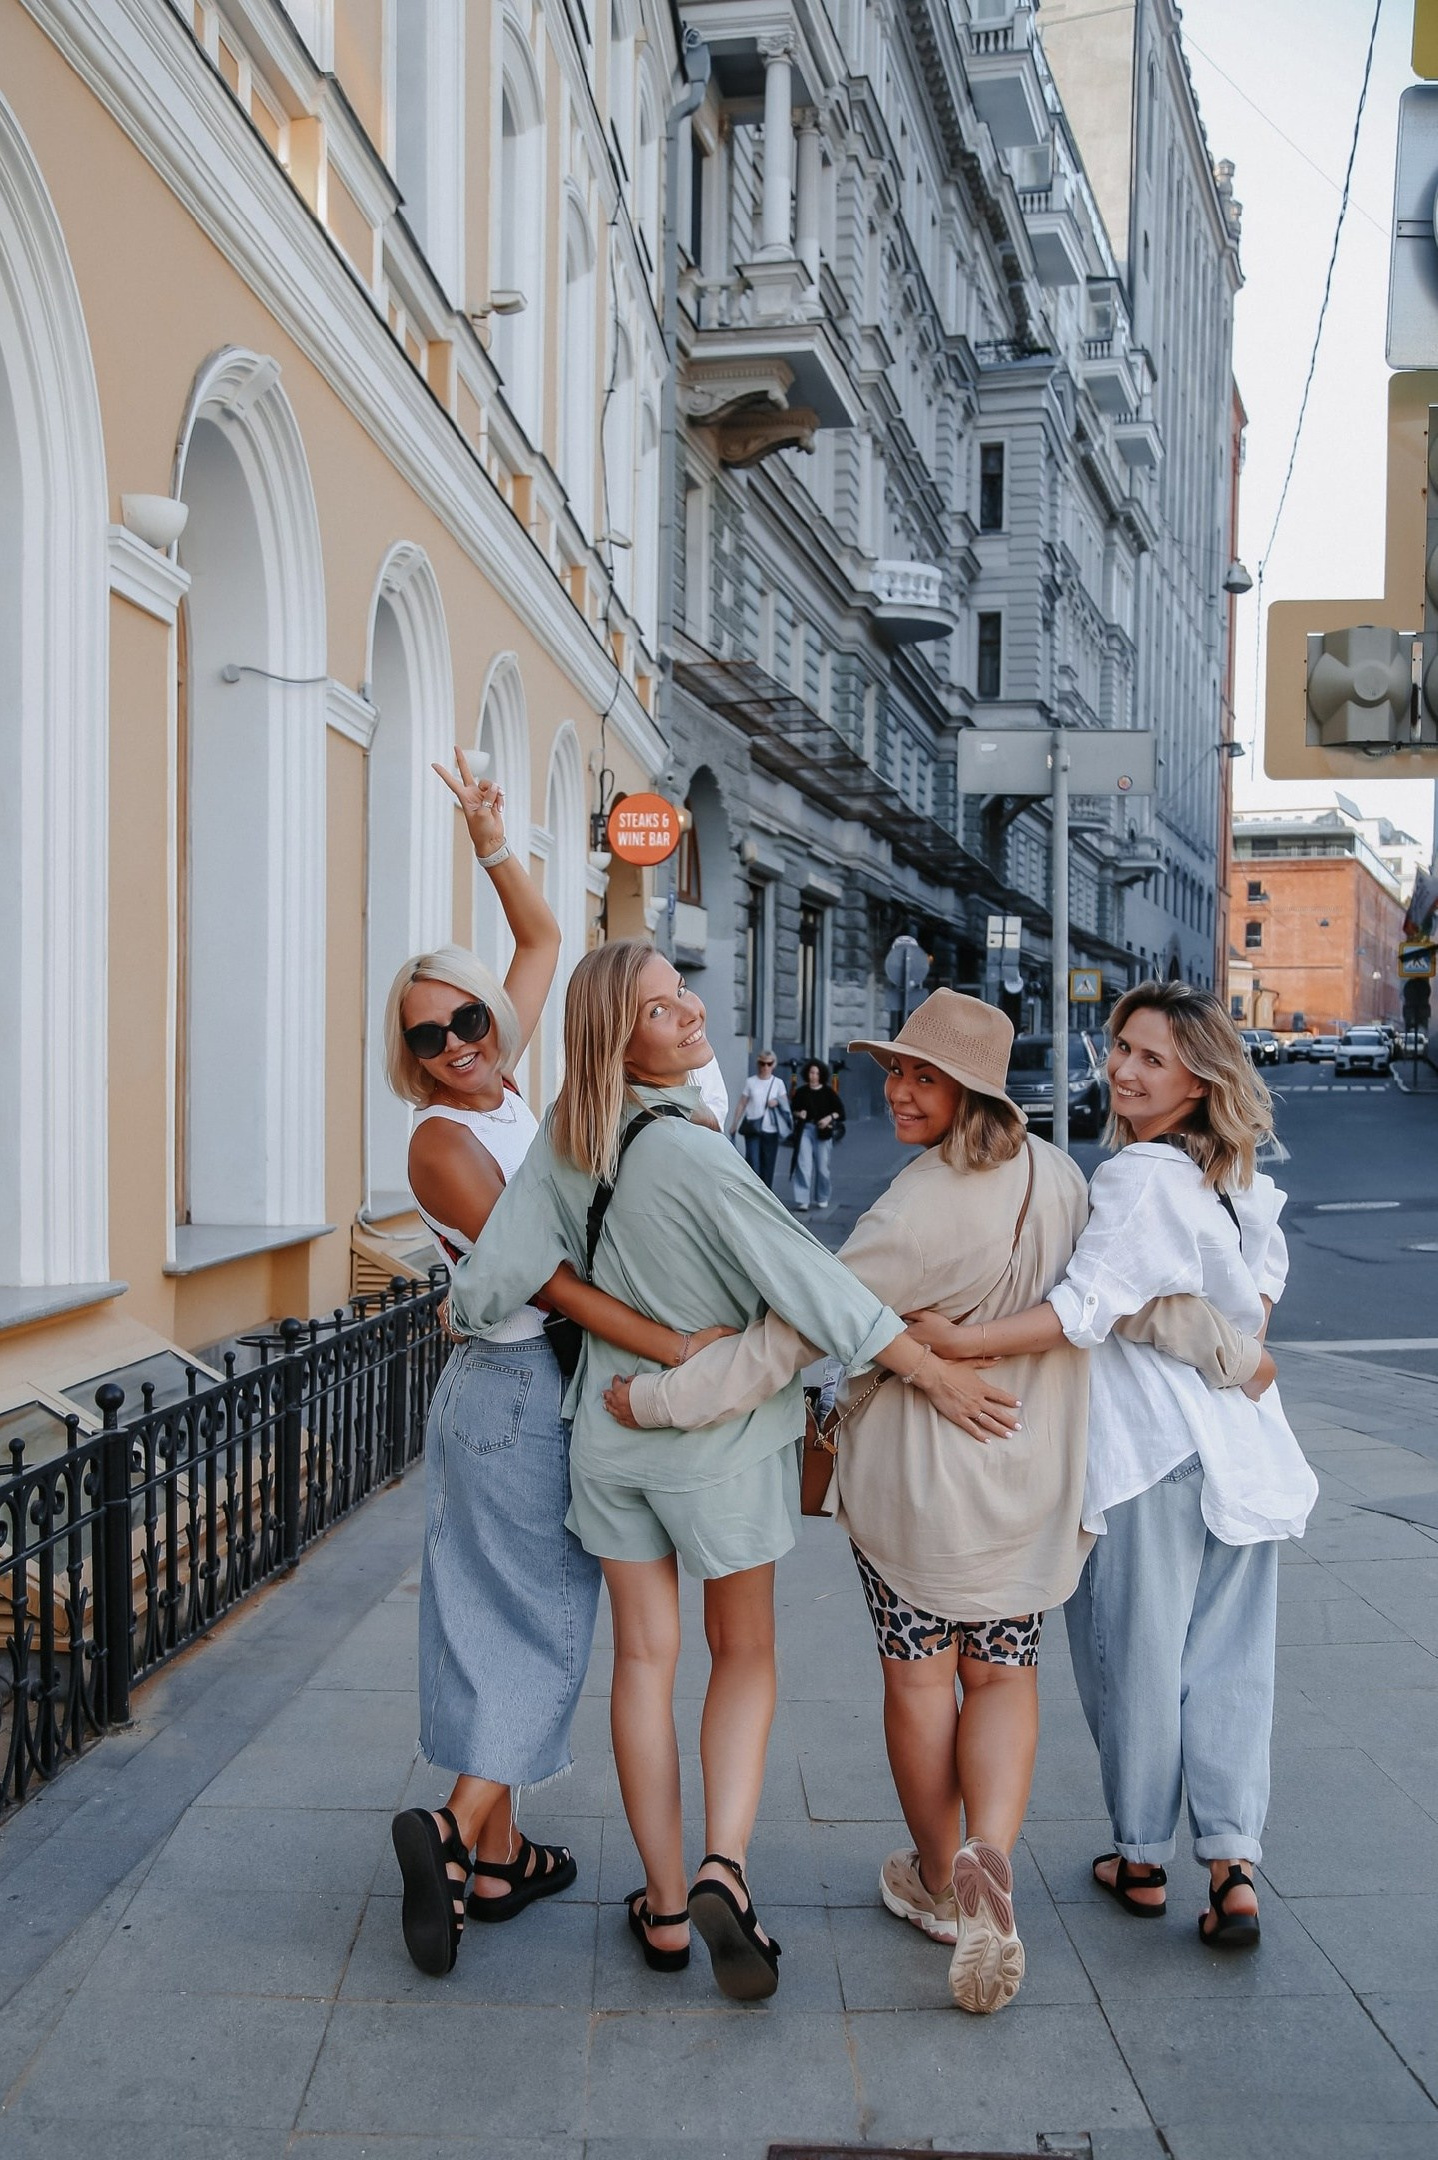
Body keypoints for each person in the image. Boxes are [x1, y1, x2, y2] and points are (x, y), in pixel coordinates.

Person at [605, 990, 1266, 2012]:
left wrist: (659, 1399)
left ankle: (937, 1877)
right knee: (1001, 1675)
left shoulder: (913, 1210)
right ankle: (988, 1852)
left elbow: (790, 1335)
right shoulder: (1060, 1176)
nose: (899, 1092)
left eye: (925, 1077)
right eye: (896, 1072)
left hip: (916, 1491)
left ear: (975, 1091)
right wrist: (1238, 1354)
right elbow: (1129, 1302)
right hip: (1028, 1478)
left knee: (920, 1684)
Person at [448, 945, 1023, 2003]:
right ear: (620, 1037)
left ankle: (666, 1910)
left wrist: (611, 1315)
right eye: (659, 1009)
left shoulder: (568, 1133)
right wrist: (933, 1372)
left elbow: (482, 1292)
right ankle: (724, 1868)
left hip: (609, 1435)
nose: (689, 1013)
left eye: (682, 994)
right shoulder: (694, 1154)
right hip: (720, 1446)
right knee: (744, 1651)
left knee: (641, 1664)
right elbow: (813, 1286)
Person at [386, 756, 736, 1980]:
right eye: (428, 1035)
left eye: (468, 1019)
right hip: (518, 1390)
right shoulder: (441, 1141)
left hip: (520, 1389)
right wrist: (671, 1341)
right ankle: (452, 1830)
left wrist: (492, 839)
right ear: (410, 1054)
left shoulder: (504, 1079)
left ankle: (499, 1863)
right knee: (540, 1624)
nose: (456, 1044)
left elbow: (542, 938)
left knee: (496, 1618)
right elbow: (542, 1274)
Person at [918, 981, 1316, 1951]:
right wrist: (1202, 1325)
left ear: (1198, 1078)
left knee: (1132, 1662)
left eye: (1151, 1058)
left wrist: (960, 1342)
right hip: (1238, 1452)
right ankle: (1232, 1867)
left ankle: (1140, 1858)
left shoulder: (1140, 1176)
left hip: (1148, 1454)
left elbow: (1079, 1311)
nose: (1125, 1071)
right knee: (1230, 1666)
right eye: (1122, 1049)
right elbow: (1258, 1303)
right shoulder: (1228, 1176)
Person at [789, 1059, 845, 1213]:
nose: (813, 1076)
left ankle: (822, 1196)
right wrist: (799, 1113)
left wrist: (828, 1118)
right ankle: (802, 1200)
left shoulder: (828, 1092)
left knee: (822, 1168)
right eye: (811, 1072)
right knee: (803, 1165)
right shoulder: (801, 1092)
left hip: (823, 1132)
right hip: (805, 1130)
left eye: (817, 1073)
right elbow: (792, 1110)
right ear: (807, 1074)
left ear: (821, 1075)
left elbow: (840, 1112)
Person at [729, 1051, 789, 1188]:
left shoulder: (778, 1083)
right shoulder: (751, 1082)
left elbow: (785, 1104)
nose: (765, 1067)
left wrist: (777, 1101)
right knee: (753, 1164)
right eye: (762, 1063)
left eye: (769, 1064)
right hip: (753, 1127)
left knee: (768, 1166)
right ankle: (754, 1193)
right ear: (758, 1064)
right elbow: (742, 1103)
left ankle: (766, 1194)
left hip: (771, 1130)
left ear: (774, 1065)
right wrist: (735, 1123)